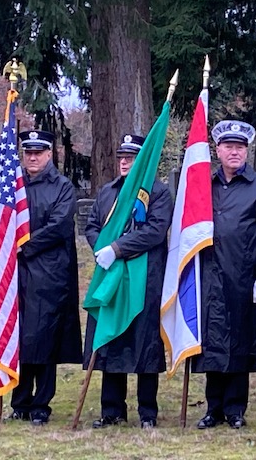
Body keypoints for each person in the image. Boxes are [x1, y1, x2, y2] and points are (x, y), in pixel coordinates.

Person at [193, 120, 256, 430]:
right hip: (210, 276)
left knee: (241, 343)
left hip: (246, 278)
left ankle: (235, 409)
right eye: (229, 147)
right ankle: (213, 408)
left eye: (240, 147)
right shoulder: (205, 185)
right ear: (217, 151)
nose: (235, 152)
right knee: (213, 343)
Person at [83, 134, 173, 429]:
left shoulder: (158, 193)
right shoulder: (107, 192)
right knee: (111, 339)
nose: (124, 161)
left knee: (145, 343)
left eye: (131, 157)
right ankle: (112, 410)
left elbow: (155, 231)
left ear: (143, 160)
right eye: (121, 156)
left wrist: (117, 249)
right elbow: (93, 226)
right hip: (111, 277)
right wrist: (102, 249)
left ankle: (147, 411)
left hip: (144, 278)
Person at [8, 130, 82, 426]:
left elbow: (60, 226)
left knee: (45, 338)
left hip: (50, 273)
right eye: (28, 153)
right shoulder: (13, 186)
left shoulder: (62, 187)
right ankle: (20, 401)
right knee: (19, 337)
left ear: (50, 154)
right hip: (17, 274)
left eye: (39, 152)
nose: (33, 157)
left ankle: (41, 403)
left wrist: (24, 245)